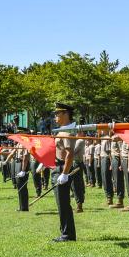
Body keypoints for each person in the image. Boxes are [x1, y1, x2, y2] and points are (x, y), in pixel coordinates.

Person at [53, 102, 78, 242]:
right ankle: (65, 232)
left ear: (66, 114)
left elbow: (70, 153)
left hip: (63, 167)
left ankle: (67, 234)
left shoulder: (67, 131)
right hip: (58, 166)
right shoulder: (61, 130)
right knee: (60, 203)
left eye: (58, 113)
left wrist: (64, 173)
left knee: (63, 203)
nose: (55, 116)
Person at [72, 131, 86, 213]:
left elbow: (73, 151)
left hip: (76, 163)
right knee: (75, 184)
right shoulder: (76, 140)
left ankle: (79, 205)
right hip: (75, 163)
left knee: (76, 184)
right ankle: (78, 203)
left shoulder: (79, 141)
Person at [100, 129, 114, 205]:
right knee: (104, 179)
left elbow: (109, 152)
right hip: (102, 158)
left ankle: (110, 198)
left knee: (107, 178)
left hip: (106, 159)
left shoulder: (107, 138)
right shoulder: (103, 138)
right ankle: (107, 196)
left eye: (102, 129)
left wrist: (111, 163)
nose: (101, 130)